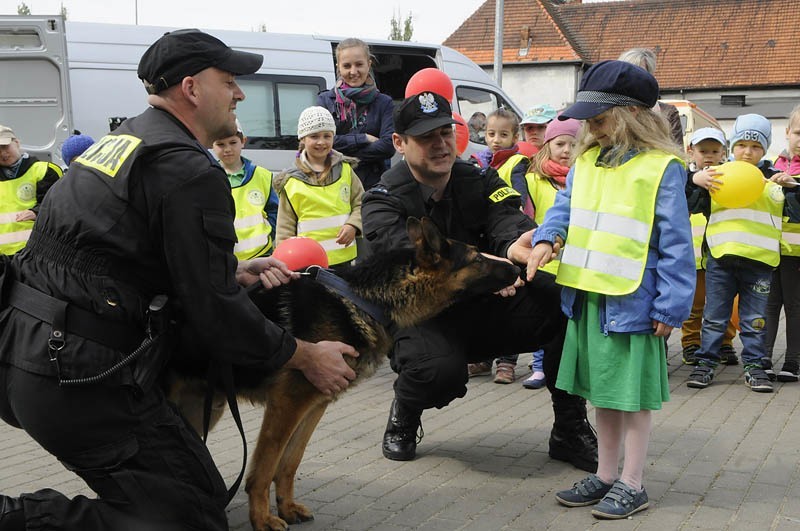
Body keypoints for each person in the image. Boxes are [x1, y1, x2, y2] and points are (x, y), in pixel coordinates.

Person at [0, 29, 358, 531]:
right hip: (76, 374)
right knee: (186, 517)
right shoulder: (188, 169)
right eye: (230, 81)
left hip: (28, 352)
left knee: (201, 495)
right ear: (192, 89)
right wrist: (305, 354)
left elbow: (111, 252)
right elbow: (214, 313)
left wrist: (226, 269)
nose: (239, 95)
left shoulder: (121, 143)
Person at [361, 90, 597, 472]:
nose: (440, 144)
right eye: (426, 137)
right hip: (426, 318)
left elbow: (506, 218)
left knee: (567, 306)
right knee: (438, 375)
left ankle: (569, 428)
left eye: (444, 132)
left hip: (488, 308)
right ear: (399, 143)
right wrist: (483, 267)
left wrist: (518, 244)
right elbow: (409, 258)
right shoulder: (382, 199)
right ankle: (406, 411)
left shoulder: (479, 177)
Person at [527, 60, 695, 519]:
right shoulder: (584, 164)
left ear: (631, 115)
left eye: (600, 119)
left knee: (633, 398)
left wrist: (673, 304)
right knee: (602, 393)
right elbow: (564, 210)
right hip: (588, 298)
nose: (591, 128)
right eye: (589, 120)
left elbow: (679, 244)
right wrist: (547, 239)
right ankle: (605, 475)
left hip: (636, 303)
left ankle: (633, 483)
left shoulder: (663, 169)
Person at [685, 113, 799, 392]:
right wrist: (696, 180)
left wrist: (793, 189)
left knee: (755, 320)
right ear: (731, 148)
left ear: (765, 149)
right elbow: (691, 203)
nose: (747, 152)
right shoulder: (717, 176)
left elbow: (794, 213)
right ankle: (706, 362)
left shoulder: (773, 178)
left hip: (760, 263)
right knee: (714, 316)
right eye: (741, 145)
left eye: (756, 146)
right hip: (721, 260)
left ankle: (755, 365)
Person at [467, 108, 532, 383]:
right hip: (487, 240)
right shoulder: (479, 162)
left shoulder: (517, 162)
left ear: (514, 137)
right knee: (486, 298)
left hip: (511, 239)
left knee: (510, 300)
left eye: (503, 135)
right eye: (491, 134)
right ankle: (483, 355)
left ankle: (507, 360)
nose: (495, 140)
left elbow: (519, 198)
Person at [520, 115, 581, 390]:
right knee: (544, 317)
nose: (567, 151)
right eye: (560, 144)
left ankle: (562, 368)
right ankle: (537, 366)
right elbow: (525, 216)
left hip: (572, 265)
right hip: (543, 261)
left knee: (566, 320)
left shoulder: (582, 179)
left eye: (573, 144)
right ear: (548, 145)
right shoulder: (534, 180)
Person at [274, 105, 364, 269]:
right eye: (314, 136)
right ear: (302, 139)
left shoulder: (346, 170)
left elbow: (361, 203)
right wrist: (284, 263)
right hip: (308, 264)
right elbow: (285, 229)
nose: (321, 142)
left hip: (345, 261)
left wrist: (353, 225)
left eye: (327, 136)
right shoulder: (291, 180)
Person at [680, 128, 740, 366]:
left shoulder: (729, 178)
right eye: (703, 151)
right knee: (694, 306)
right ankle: (691, 344)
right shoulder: (684, 178)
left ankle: (725, 343)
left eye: (715, 151)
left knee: (722, 303)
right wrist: (694, 180)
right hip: (691, 256)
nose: (708, 156)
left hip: (720, 253)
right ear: (690, 151)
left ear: (723, 153)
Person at [316, 38, 395, 192]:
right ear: (338, 67)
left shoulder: (384, 103)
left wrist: (341, 153)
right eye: (347, 66)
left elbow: (388, 146)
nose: (353, 72)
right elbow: (321, 142)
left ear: (369, 64)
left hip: (372, 187)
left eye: (359, 64)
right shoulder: (326, 100)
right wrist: (363, 138)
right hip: (333, 184)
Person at [765, 104, 800, 381]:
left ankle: (792, 362)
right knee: (768, 305)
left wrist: (794, 187)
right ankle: (762, 357)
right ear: (787, 133)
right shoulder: (772, 165)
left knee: (794, 306)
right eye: (798, 133)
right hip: (770, 251)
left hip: (796, 255)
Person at [211, 121, 279, 260]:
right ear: (211, 144)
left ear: (243, 141)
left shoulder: (262, 175)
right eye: (220, 144)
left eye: (233, 142)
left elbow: (275, 211)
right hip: (227, 259)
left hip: (262, 255)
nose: (227, 149)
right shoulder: (209, 178)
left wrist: (268, 234)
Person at [0, 125, 62, 256]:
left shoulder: (45, 170)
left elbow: (60, 205)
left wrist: (36, 212)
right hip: (3, 260)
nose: (2, 153)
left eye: (5, 146)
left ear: (17, 143)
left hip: (36, 255)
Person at [617, 48, 684, 148]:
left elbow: (677, 152)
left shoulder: (668, 113)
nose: (632, 78)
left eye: (639, 72)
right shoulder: (610, 110)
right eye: (627, 72)